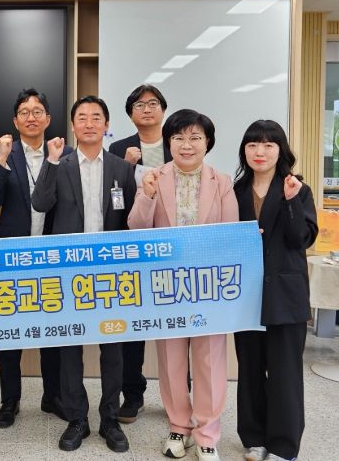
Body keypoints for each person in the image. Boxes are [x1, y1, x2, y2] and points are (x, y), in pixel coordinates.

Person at [127, 109, 238, 461]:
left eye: (195, 138)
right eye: (178, 138)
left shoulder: (222, 182)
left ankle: (207, 432)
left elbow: (230, 236)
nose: (186, 145)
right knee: (171, 359)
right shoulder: (152, 177)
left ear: (207, 143)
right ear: (168, 142)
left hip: (208, 286)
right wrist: (146, 196)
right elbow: (136, 228)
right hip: (167, 286)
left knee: (210, 360)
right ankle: (178, 425)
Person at [31, 95, 136, 453]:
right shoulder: (59, 164)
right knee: (69, 347)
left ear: (107, 125)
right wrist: (49, 162)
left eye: (96, 117)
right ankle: (77, 418)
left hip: (111, 272)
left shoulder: (122, 168)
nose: (89, 123)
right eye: (82, 117)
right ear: (73, 125)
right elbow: (40, 203)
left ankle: (110, 419)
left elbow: (131, 219)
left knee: (113, 349)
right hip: (69, 272)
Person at [0, 88, 72, 428]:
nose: (31, 117)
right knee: (9, 332)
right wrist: (3, 161)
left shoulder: (64, 153)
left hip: (52, 256)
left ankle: (53, 396)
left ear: (48, 119)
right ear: (15, 121)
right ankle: (10, 400)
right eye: (24, 112)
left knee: (52, 332)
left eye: (37, 112)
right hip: (11, 256)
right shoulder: (0, 153)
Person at [233, 120, 318, 461]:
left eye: (269, 145)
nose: (260, 151)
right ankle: (254, 437)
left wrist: (291, 201)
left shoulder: (298, 188)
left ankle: (283, 445)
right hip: (245, 295)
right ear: (244, 150)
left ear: (281, 150)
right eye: (253, 144)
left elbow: (302, 239)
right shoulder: (236, 190)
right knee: (250, 369)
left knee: (285, 373)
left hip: (286, 295)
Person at [109, 83, 172, 424]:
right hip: (132, 247)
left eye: (152, 103)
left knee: (174, 326)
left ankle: (180, 395)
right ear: (130, 114)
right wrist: (123, 167)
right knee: (132, 328)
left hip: (171, 246)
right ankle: (133, 395)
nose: (146, 109)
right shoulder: (119, 148)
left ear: (163, 109)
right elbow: (114, 201)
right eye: (139, 104)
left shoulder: (178, 144)